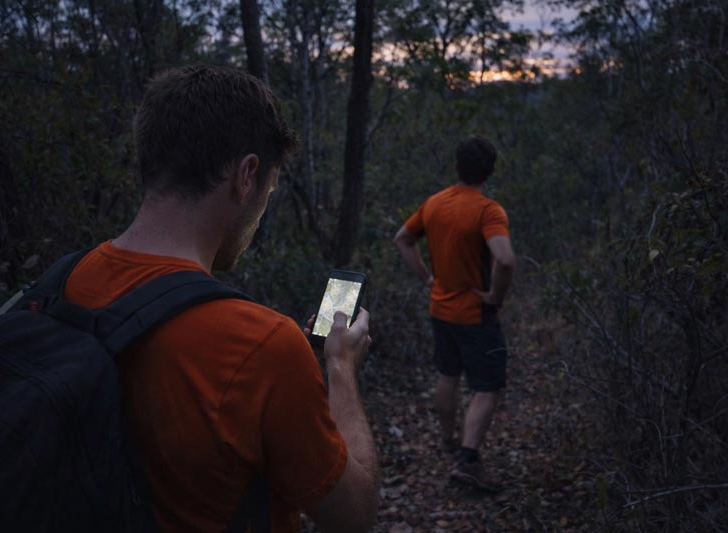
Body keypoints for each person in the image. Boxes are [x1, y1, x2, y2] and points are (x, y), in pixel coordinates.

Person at [63, 65, 379, 532]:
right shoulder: (265, 346)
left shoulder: (67, 281)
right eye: (269, 189)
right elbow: (353, 515)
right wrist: (341, 369)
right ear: (246, 175)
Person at [393, 135, 515, 492]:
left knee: (448, 374)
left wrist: (427, 277)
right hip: (476, 315)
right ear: (489, 172)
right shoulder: (487, 210)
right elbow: (505, 259)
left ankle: (448, 439)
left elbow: (402, 238)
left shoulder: (434, 204)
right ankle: (467, 459)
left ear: (457, 166)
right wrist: (494, 296)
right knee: (488, 387)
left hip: (440, 309)